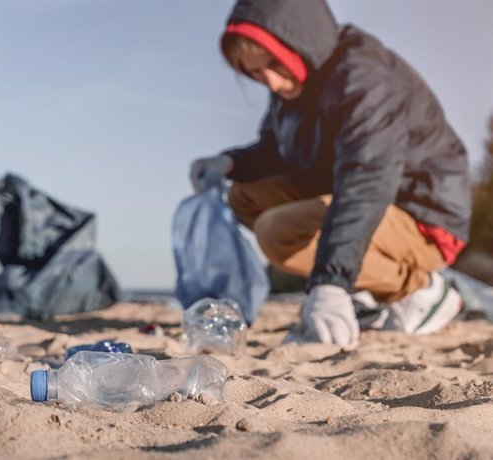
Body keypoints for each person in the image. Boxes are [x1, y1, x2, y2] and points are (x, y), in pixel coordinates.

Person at [190, 0, 470, 347]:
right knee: (243, 195)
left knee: (278, 232)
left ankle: (424, 290)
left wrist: (329, 284)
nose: (272, 82)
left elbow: (367, 181)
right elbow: (275, 151)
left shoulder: (366, 79)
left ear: (300, 41)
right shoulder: (294, 84)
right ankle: (366, 290)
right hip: (353, 196)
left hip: (423, 215)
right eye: (256, 73)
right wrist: (228, 163)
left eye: (274, 64)